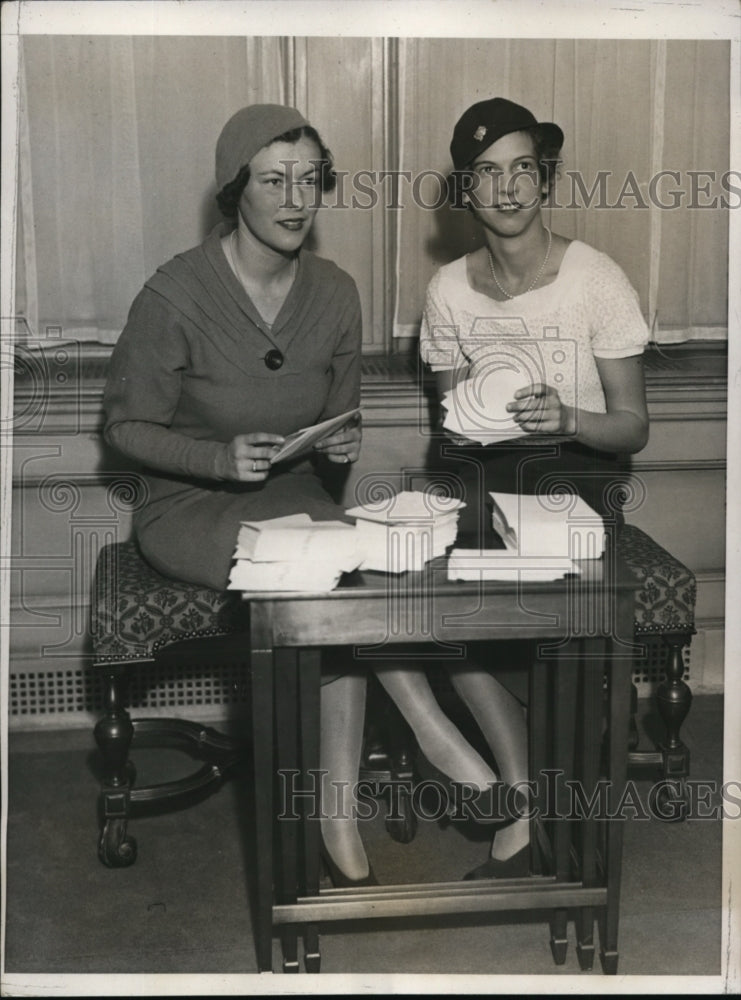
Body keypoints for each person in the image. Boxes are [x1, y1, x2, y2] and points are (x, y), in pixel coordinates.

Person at [103, 104, 371, 884]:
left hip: (294, 496)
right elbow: (125, 427)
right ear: (235, 190)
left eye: (309, 180)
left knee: (352, 574)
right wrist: (218, 458)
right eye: (273, 180)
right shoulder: (176, 293)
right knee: (314, 577)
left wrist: (340, 440)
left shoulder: (336, 291)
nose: (295, 200)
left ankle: (338, 809)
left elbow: (338, 417)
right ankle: (343, 801)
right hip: (186, 506)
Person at [410, 96, 650, 878]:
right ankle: (521, 788)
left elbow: (632, 427)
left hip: (574, 478)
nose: (507, 188)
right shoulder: (447, 288)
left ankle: (555, 790)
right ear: (465, 192)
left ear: (543, 180)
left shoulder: (594, 279)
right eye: (487, 173)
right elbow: (450, 419)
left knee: (523, 587)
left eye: (522, 169)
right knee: (415, 583)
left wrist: (565, 417)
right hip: (478, 480)